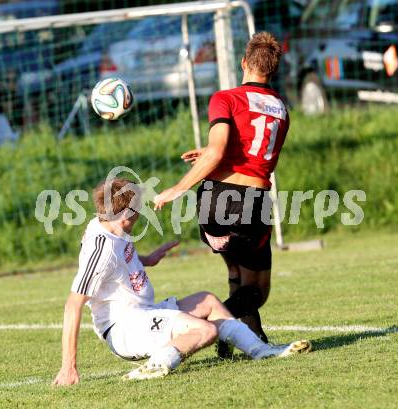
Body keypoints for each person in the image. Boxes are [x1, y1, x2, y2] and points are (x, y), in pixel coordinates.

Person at [53, 178, 310, 384]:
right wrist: (68, 367)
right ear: (126, 214)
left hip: (142, 313)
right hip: (124, 329)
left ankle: (260, 351)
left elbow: (117, 261)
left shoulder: (108, 225)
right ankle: (155, 365)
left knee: (208, 301)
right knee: (205, 330)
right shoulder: (102, 248)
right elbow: (72, 305)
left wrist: (148, 259)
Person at [153, 32, 289, 356]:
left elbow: (218, 153)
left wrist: (178, 188)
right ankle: (209, 326)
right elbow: (254, 153)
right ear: (274, 70)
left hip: (214, 202)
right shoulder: (282, 108)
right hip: (252, 203)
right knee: (258, 291)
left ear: (244, 62)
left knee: (236, 274)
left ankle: (242, 339)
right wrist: (212, 154)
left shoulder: (226, 97)